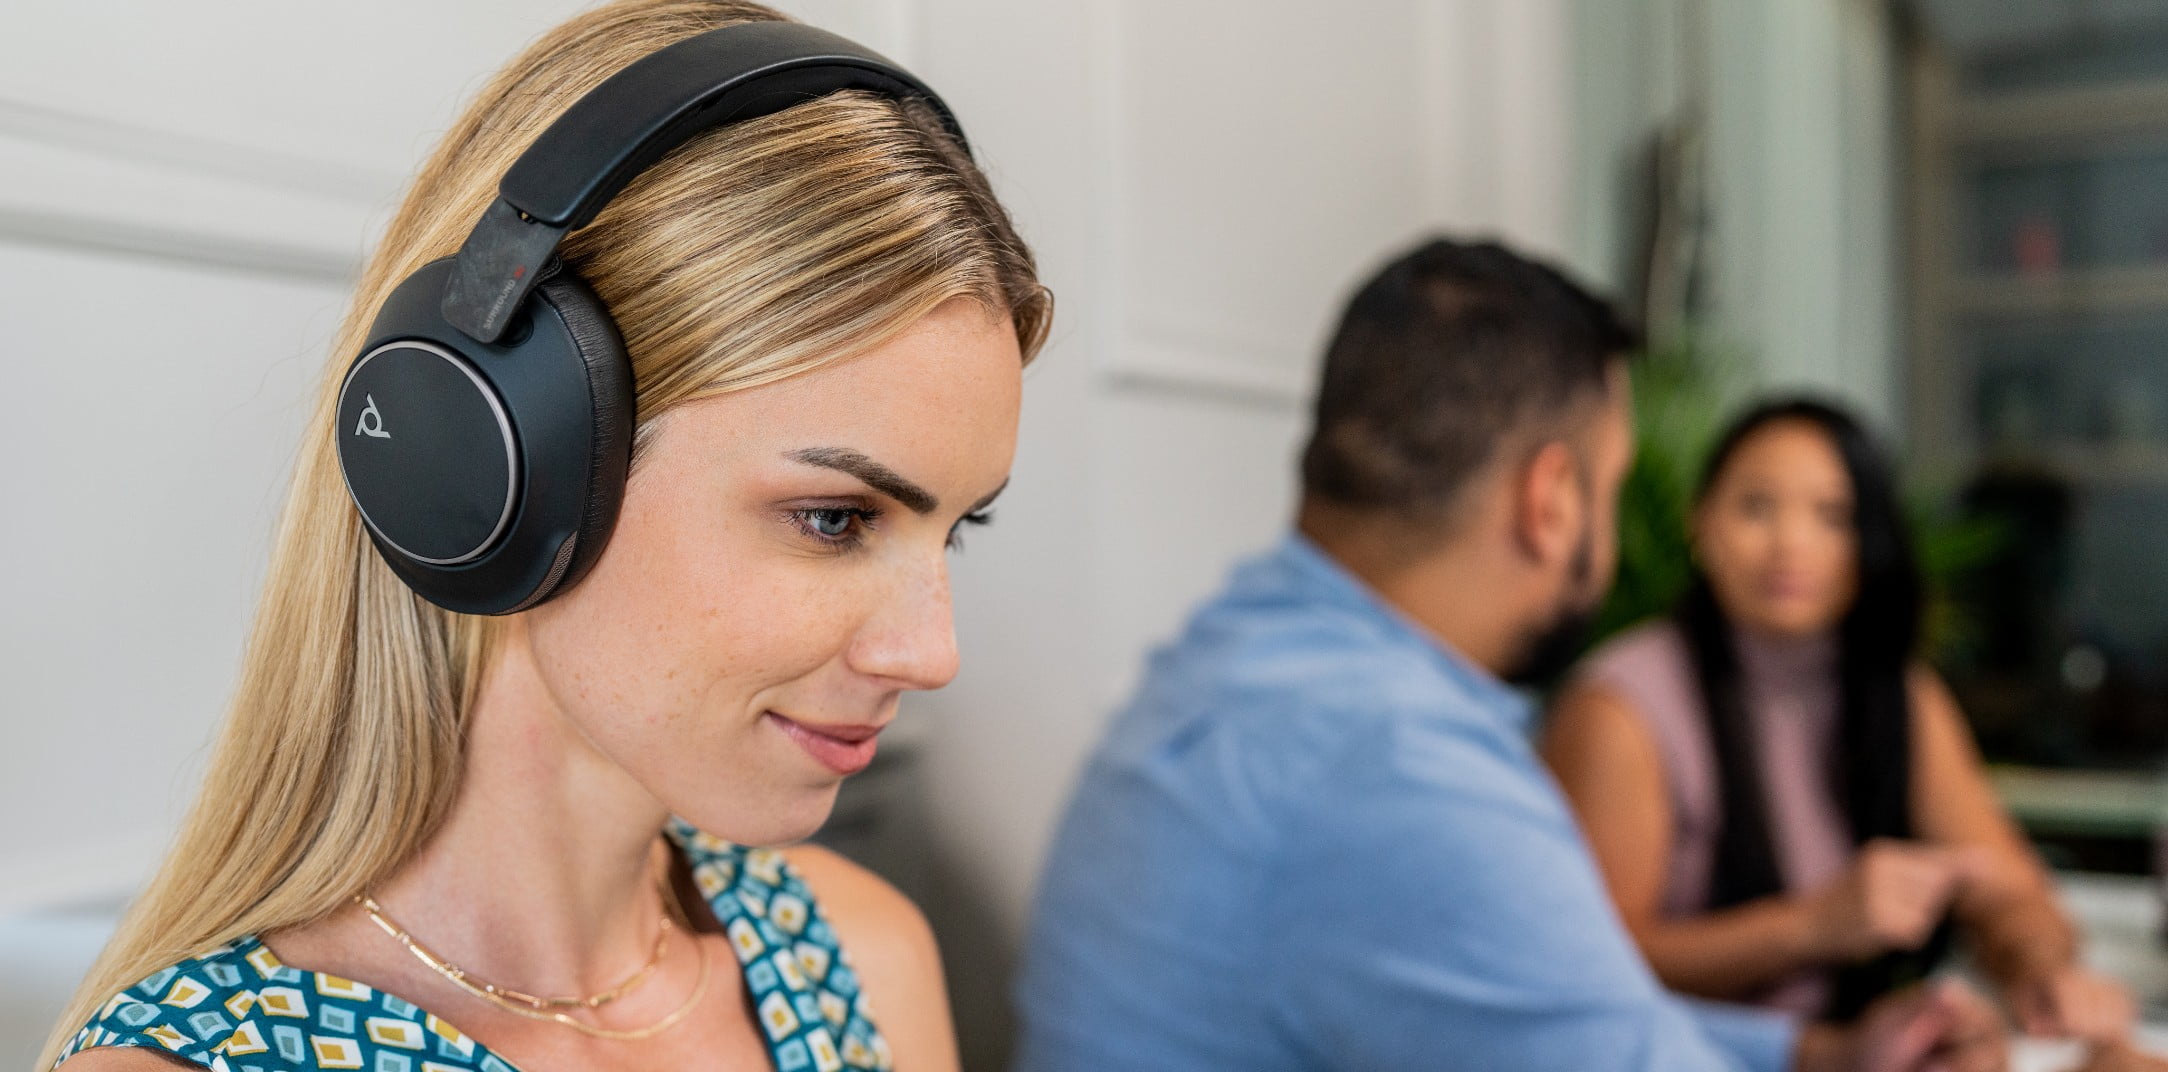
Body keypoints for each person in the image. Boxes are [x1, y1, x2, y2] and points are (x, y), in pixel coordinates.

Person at [44, 4, 1051, 1071]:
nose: (929, 653)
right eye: (834, 519)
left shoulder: (862, 961)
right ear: (501, 460)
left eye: (957, 528)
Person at [1012, 237, 2006, 1072]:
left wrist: (1813, 1053)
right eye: (1612, 491)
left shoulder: (1252, 654)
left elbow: (1561, 1008)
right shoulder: (1395, 762)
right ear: (1551, 501)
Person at [1541, 400, 2138, 1046]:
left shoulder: (1895, 689)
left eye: (1833, 516)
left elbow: (2009, 888)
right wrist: (1810, 925)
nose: (1790, 545)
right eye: (1756, 507)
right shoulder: (1623, 706)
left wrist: (2041, 971)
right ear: (1700, 522)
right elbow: (1585, 969)